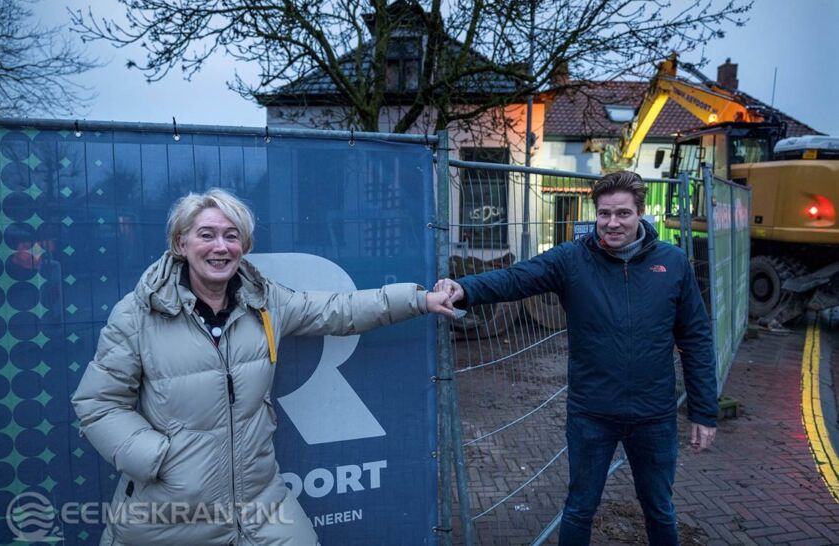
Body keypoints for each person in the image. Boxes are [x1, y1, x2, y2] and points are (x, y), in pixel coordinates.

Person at [72, 188, 456, 545]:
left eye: (232, 235)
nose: (220, 247)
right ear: (181, 243)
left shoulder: (266, 301)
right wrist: (158, 458)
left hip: (261, 500)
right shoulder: (138, 313)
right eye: (207, 235)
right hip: (171, 507)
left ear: (244, 246)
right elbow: (98, 404)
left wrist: (419, 299)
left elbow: (340, 310)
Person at [434, 171, 717, 546]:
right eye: (604, 214)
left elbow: (696, 338)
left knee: (659, 508)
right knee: (580, 507)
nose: (612, 223)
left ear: (640, 213)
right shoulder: (573, 259)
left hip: (655, 415)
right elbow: (516, 278)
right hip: (592, 414)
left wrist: (704, 411)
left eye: (622, 214)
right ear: (595, 214)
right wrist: (465, 288)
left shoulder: (673, 263)